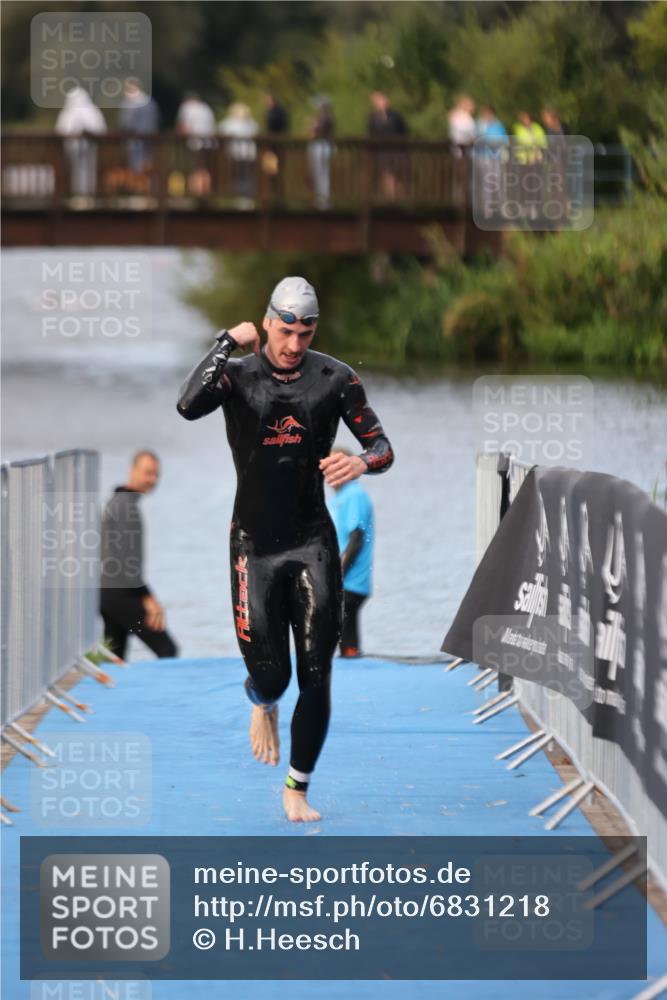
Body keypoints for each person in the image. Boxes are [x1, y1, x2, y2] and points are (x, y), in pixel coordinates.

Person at [177, 277, 394, 822]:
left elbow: (382, 446)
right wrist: (226, 339)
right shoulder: (236, 377)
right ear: (267, 321)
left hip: (311, 542)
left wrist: (362, 463)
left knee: (317, 673)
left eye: (306, 332)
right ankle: (262, 702)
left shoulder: (334, 378)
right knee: (273, 677)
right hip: (253, 546)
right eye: (285, 330)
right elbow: (186, 405)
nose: (295, 343)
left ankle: (296, 787)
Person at [99, 451, 178, 661]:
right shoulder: (126, 508)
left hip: (108, 592)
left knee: (115, 658)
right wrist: (150, 600)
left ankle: (110, 693)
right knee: (166, 649)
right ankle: (166, 694)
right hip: (120, 593)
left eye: (156, 474)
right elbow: (126, 563)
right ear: (132, 471)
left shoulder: (118, 500)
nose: (153, 479)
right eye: (147, 473)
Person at [328, 446, 375, 657]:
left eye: (336, 466)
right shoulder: (337, 498)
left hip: (350, 582)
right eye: (327, 466)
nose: (331, 471)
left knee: (345, 637)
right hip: (342, 580)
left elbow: (356, 539)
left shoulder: (354, 494)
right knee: (341, 637)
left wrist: (337, 575)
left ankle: (353, 659)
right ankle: (351, 655)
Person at [54, 87, 106, 198]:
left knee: (86, 170)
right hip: (77, 150)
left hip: (86, 149)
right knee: (80, 170)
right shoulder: (92, 111)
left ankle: (85, 194)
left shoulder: (71, 112)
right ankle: (81, 193)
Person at [367, 91, 408, 201]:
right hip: (382, 151)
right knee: (386, 175)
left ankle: (400, 200)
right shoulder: (373, 117)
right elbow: (371, 134)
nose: (381, 103)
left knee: (398, 176)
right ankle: (390, 200)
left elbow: (403, 131)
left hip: (397, 150)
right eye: (378, 101)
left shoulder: (395, 116)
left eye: (382, 100)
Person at [218, 102, 259, 203]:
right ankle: (246, 199)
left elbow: (220, 132)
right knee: (247, 177)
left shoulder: (229, 123)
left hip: (236, 155)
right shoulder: (252, 124)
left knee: (238, 176)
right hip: (250, 155)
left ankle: (241, 198)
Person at [118, 79, 160, 174]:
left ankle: (137, 185)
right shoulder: (150, 102)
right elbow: (156, 120)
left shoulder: (129, 102)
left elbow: (125, 123)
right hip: (150, 138)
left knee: (135, 166)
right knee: (148, 163)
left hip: (134, 139)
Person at [308, 95, 335, 209]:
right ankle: (321, 199)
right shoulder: (327, 117)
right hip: (323, 147)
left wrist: (313, 126)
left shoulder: (326, 118)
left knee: (322, 174)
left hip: (322, 147)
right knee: (319, 174)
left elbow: (317, 132)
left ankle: (323, 200)